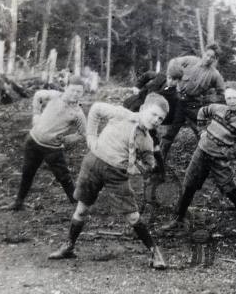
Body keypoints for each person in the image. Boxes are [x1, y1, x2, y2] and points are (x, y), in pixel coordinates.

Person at [48, 93, 170, 269]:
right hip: (93, 163)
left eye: (160, 118)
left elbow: (148, 163)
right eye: (153, 114)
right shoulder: (122, 114)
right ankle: (68, 246)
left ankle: (154, 253)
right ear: (143, 109)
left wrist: (144, 166)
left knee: (133, 215)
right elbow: (96, 109)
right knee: (81, 209)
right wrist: (91, 136)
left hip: (116, 174)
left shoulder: (147, 140)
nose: (156, 120)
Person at [160, 82, 236, 237]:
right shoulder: (218, 108)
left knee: (230, 190)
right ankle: (177, 220)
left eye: (235, 98)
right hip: (201, 152)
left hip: (219, 160)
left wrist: (230, 154)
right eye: (229, 97)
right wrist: (201, 132)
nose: (231, 101)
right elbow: (202, 112)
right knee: (189, 186)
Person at [8, 76, 87, 211]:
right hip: (33, 141)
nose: (75, 94)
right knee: (27, 173)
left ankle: (77, 206)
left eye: (79, 92)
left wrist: (66, 139)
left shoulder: (78, 113)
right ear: (66, 88)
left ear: (82, 93)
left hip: (52, 149)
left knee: (64, 177)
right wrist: (36, 114)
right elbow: (38, 95)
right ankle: (18, 203)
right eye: (73, 90)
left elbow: (82, 133)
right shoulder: (55, 96)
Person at [160, 44, 226, 160]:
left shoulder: (214, 74)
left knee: (202, 133)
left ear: (215, 59)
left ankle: (205, 161)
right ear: (203, 53)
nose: (208, 58)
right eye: (207, 55)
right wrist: (172, 77)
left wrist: (208, 99)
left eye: (212, 57)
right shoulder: (191, 61)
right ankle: (158, 162)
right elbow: (173, 62)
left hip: (194, 106)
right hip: (179, 102)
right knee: (170, 133)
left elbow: (222, 93)